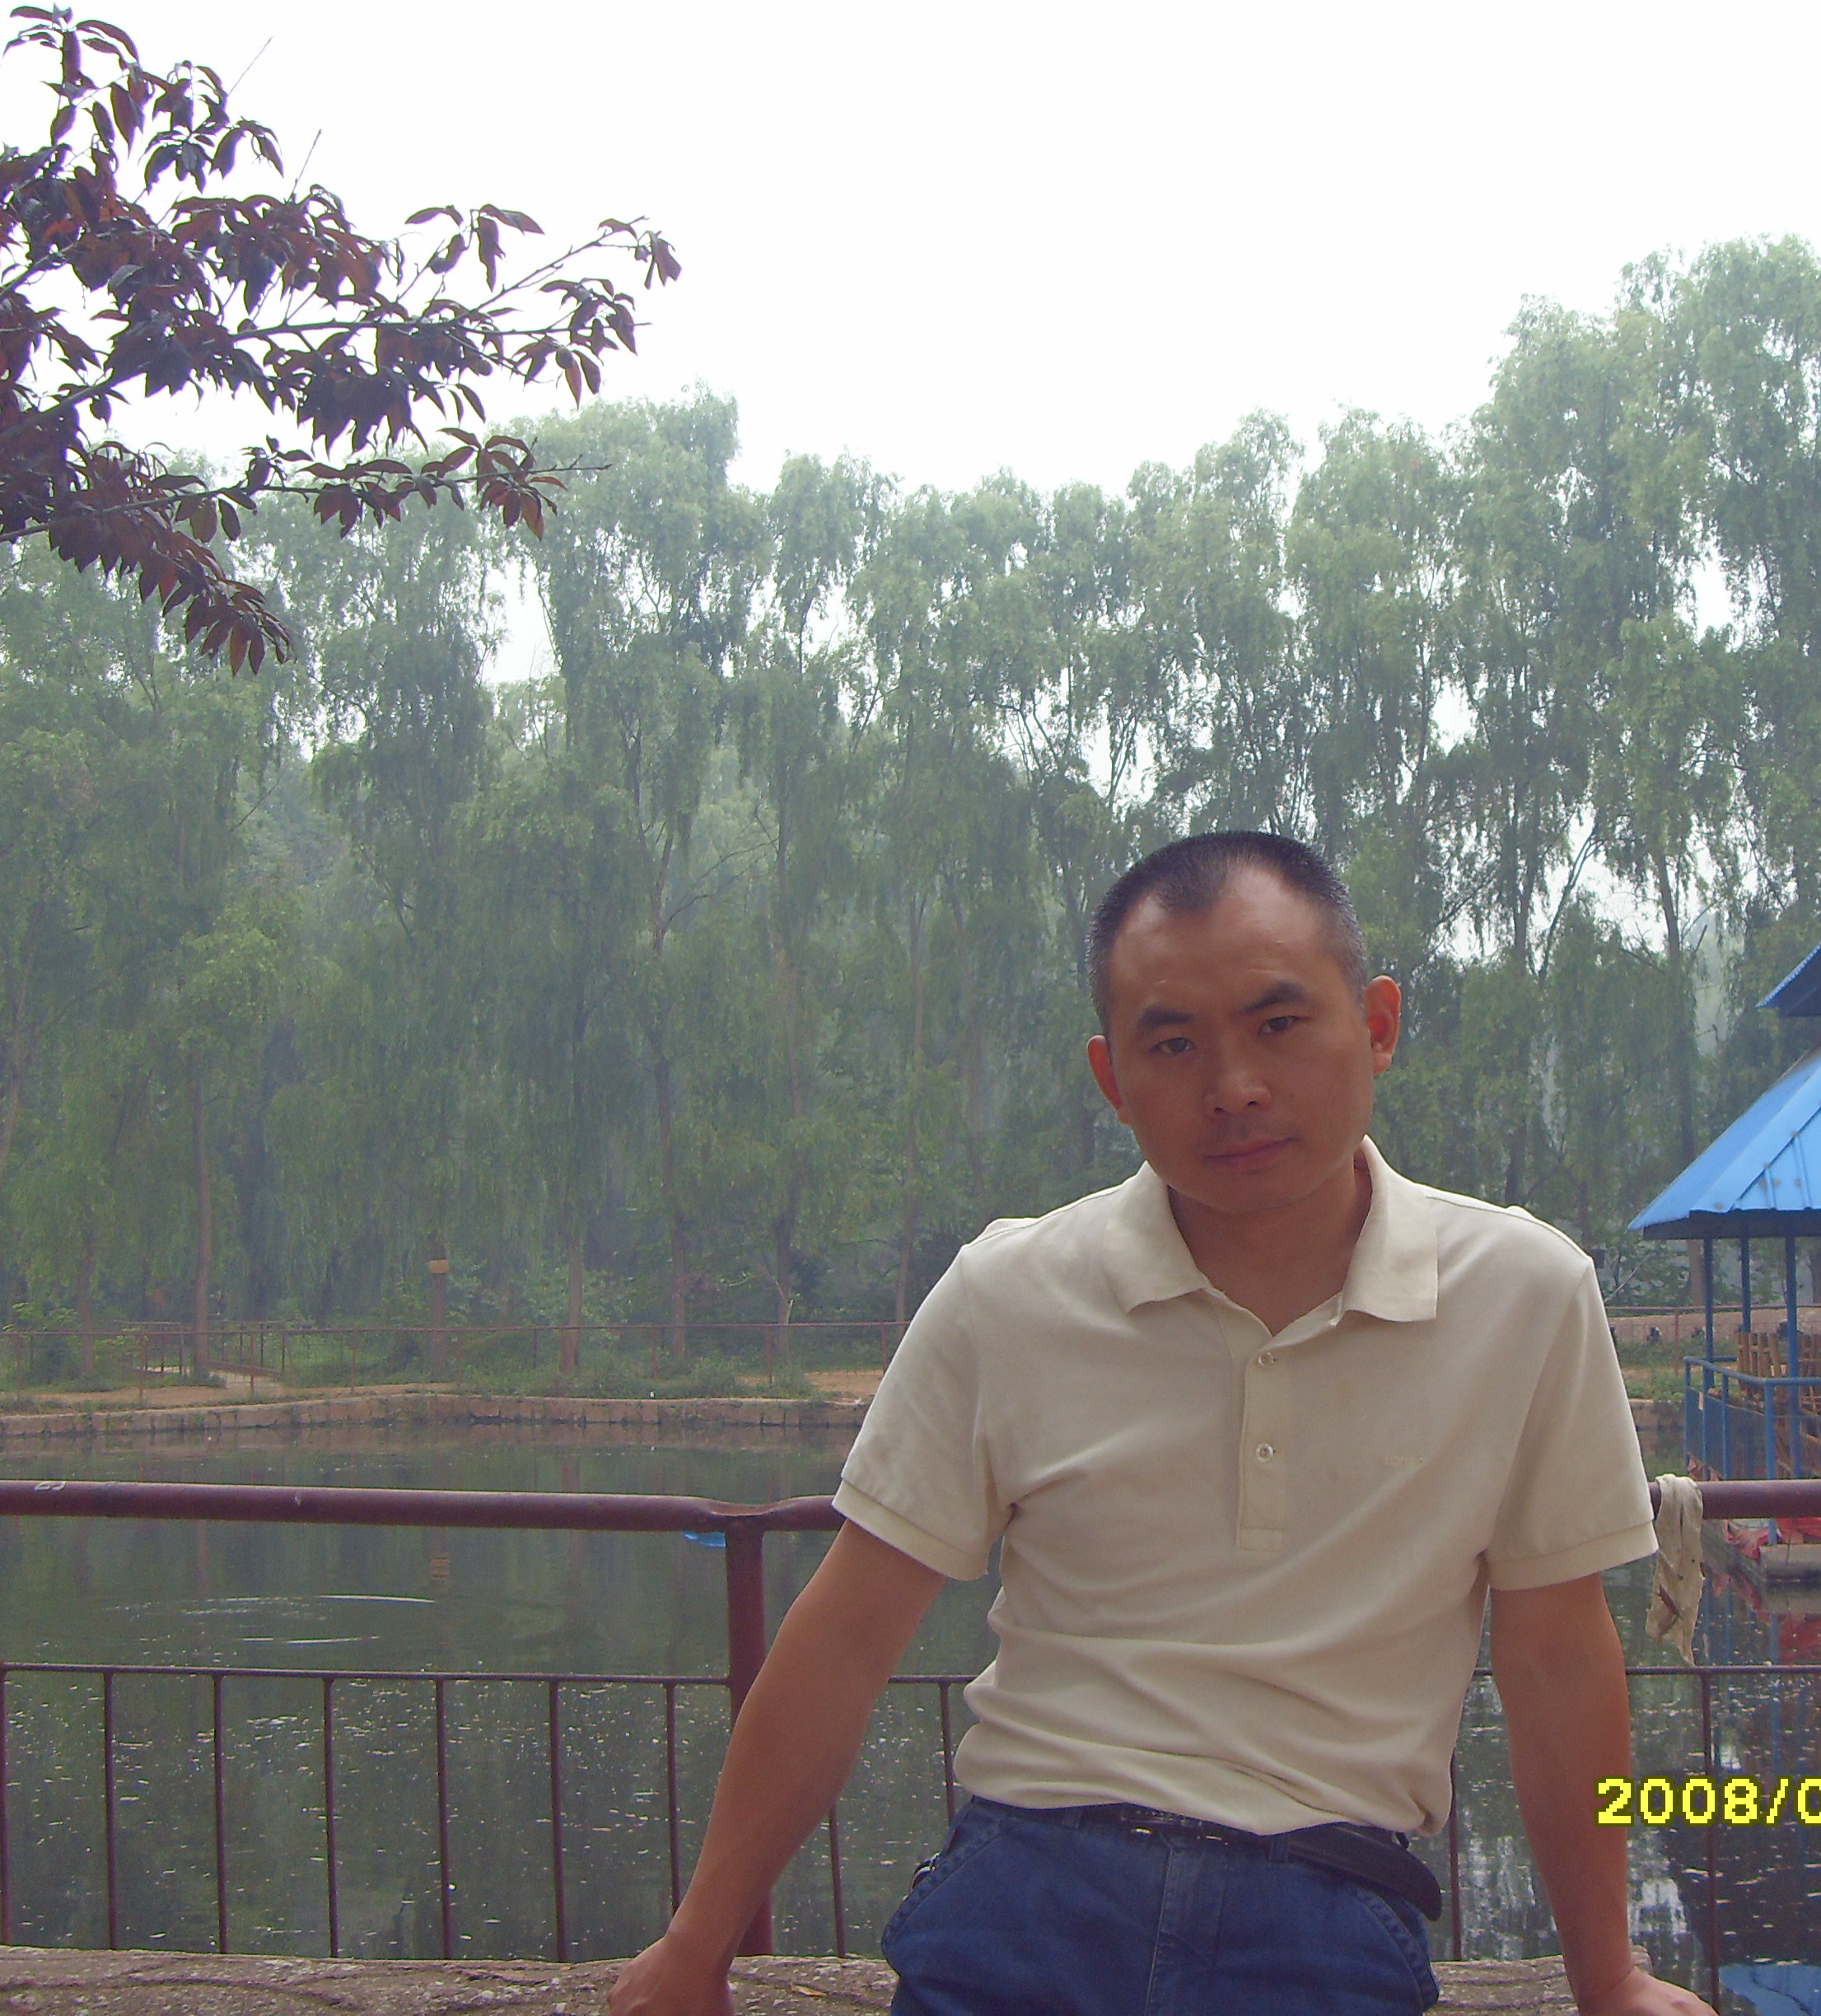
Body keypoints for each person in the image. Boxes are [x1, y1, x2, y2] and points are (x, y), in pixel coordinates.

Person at [611, 832, 1711, 2016]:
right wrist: (696, 1946)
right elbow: (846, 1635)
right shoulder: (1009, 1294)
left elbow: (1555, 1658)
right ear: (1112, 1080)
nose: (1233, 1087)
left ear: (1377, 1024)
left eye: (1278, 1024)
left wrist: (1610, 1983)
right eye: (1174, 1044)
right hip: (1030, 1881)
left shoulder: (1525, 1295)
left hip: (1324, 1900)